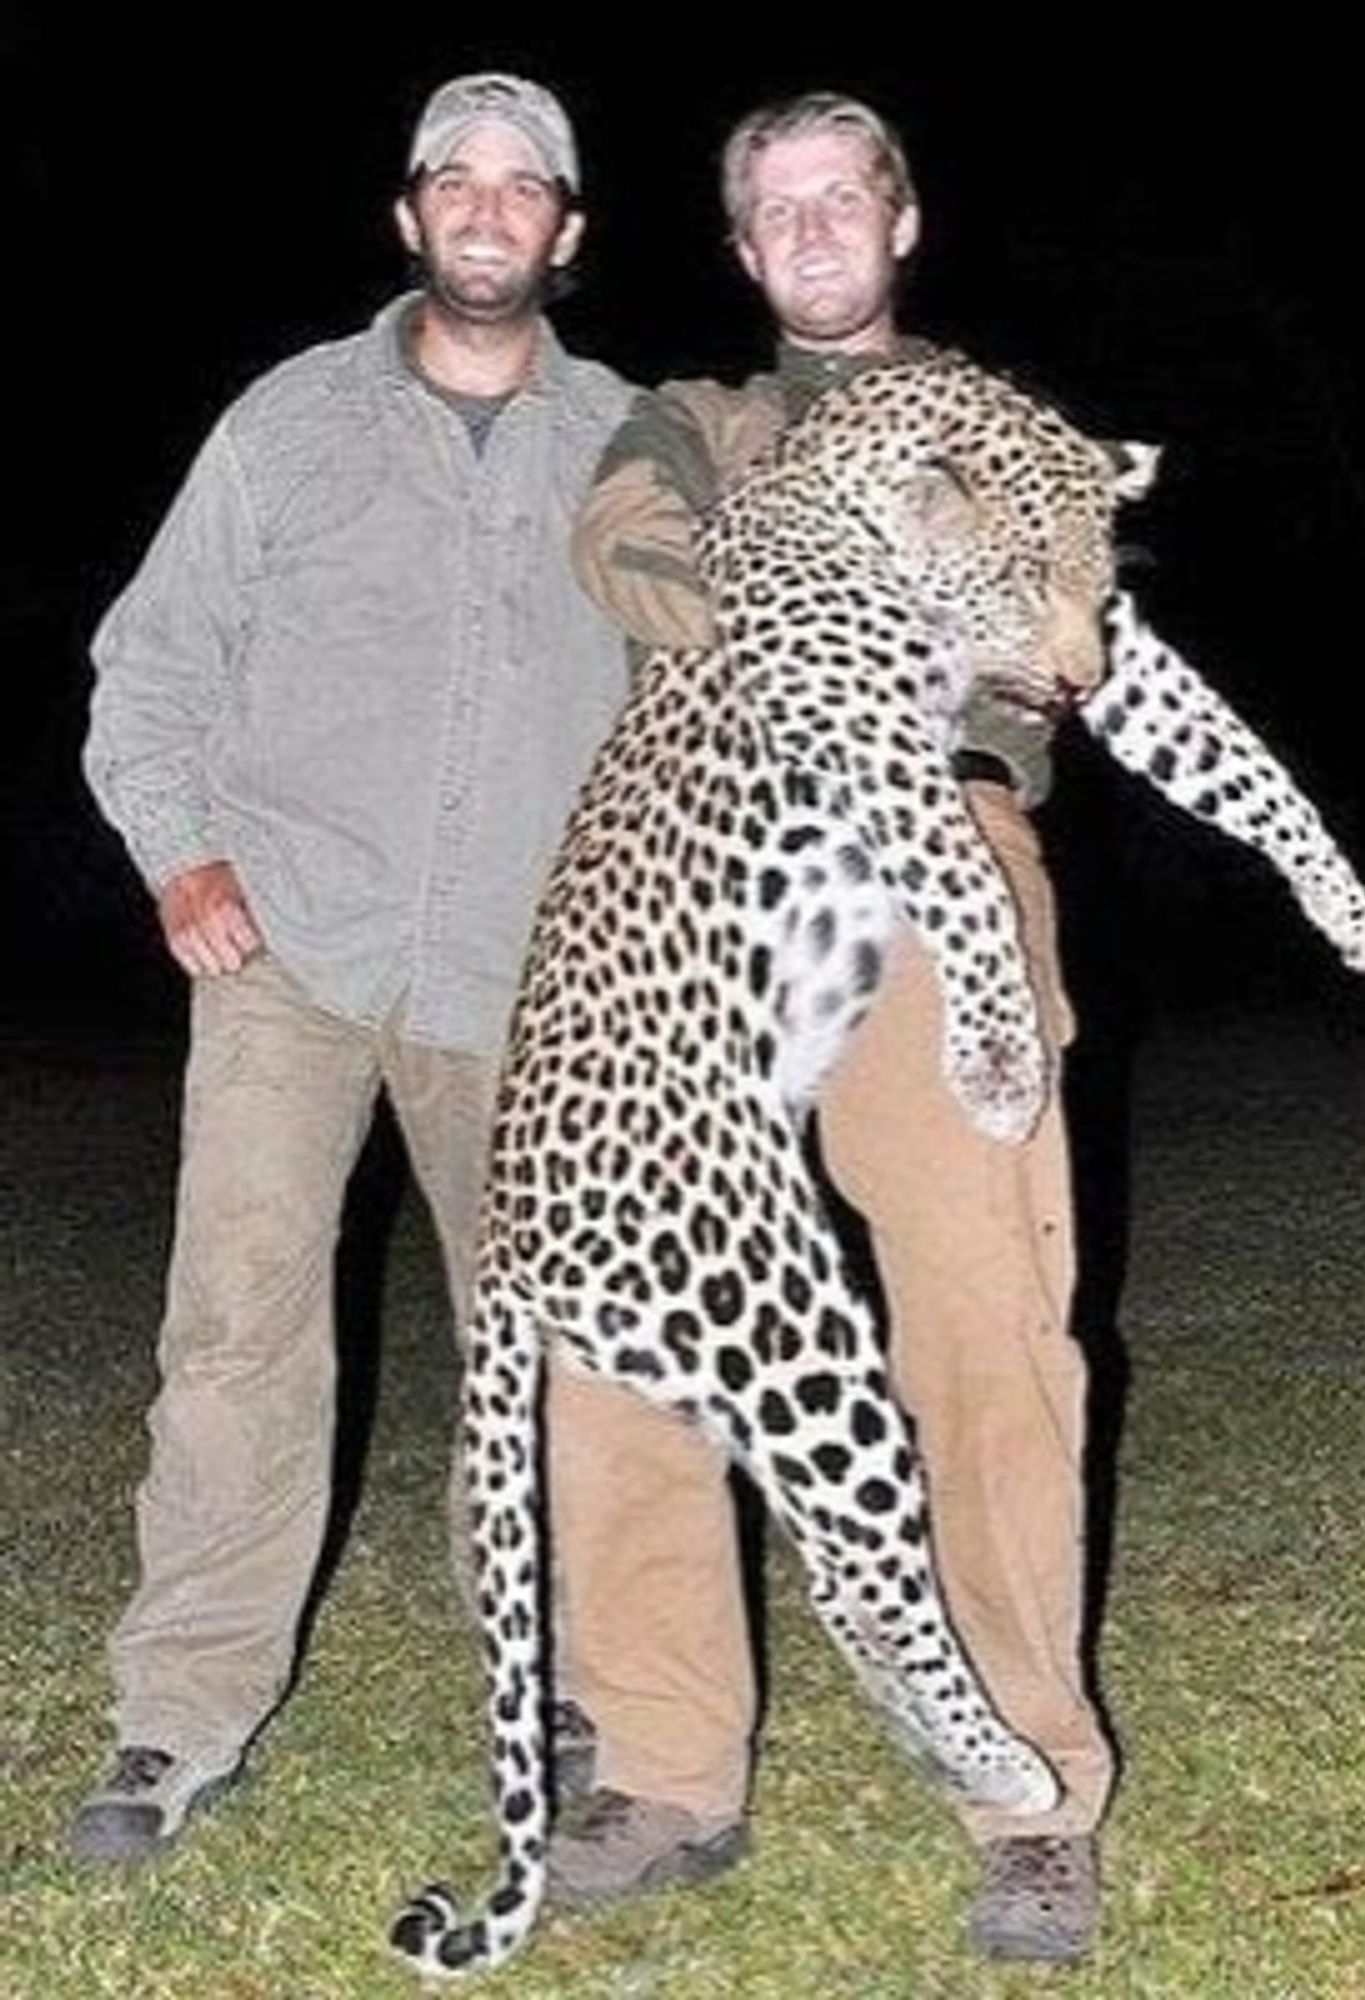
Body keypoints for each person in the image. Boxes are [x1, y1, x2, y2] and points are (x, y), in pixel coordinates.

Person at [547, 92, 1114, 1963]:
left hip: (943, 845)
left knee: (983, 1311)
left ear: (902, 217)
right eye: (769, 208)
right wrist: (885, 602)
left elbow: (1061, 631)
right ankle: (664, 1762)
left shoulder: (1000, 425)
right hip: (693, 882)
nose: (806, 228)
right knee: (627, 1317)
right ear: (737, 249)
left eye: (837, 196)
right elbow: (624, 554)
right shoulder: (692, 422)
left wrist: (977, 617)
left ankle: (1031, 1793)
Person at [69, 72, 633, 1863]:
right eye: (453, 179)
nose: (486, 208)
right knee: (237, 1333)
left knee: (543, 1348)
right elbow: (147, 671)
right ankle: (178, 1717)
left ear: (566, 233)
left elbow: (706, 697)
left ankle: (558, 1678)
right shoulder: (285, 424)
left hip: (535, 979)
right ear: (407, 216)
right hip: (292, 950)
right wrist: (181, 856)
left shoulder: (631, 447)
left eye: (521, 186)